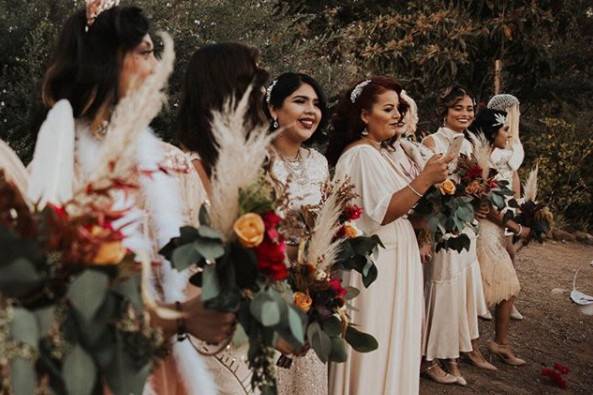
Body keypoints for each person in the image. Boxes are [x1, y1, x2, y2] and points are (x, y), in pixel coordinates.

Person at [27, 3, 233, 394]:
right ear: (107, 59)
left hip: (166, 359)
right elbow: (56, 280)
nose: (156, 67)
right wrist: (173, 318)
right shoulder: (63, 149)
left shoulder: (167, 160)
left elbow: (185, 267)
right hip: (97, 361)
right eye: (144, 53)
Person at [327, 76, 450, 395]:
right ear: (365, 116)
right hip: (376, 265)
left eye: (399, 108)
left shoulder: (383, 153)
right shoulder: (360, 156)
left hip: (398, 255)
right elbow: (382, 211)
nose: (397, 115)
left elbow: (404, 206)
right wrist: (425, 180)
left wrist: (438, 206)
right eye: (388, 108)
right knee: (377, 336)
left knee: (396, 338)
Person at [176, 42, 270, 394]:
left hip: (245, 335)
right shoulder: (181, 169)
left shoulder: (249, 171)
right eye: (255, 86)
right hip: (197, 337)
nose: (261, 98)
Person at [421, 86, 495, 386]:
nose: (465, 114)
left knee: (459, 292)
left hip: (465, 227)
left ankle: (453, 353)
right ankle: (430, 358)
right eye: (458, 108)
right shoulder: (431, 141)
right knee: (442, 290)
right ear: (444, 111)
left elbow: (475, 184)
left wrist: (478, 203)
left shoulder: (469, 144)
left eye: (469, 109)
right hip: (442, 227)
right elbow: (427, 190)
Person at [264, 72, 330, 395]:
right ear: (274, 110)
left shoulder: (319, 163)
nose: (311, 111)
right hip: (268, 285)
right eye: (300, 101)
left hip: (312, 288)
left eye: (316, 104)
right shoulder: (256, 160)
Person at [468, 108, 531, 366]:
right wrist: (516, 228)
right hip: (484, 231)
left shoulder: (502, 160)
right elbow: (487, 207)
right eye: (505, 129)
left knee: (507, 287)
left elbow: (509, 195)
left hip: (498, 230)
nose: (509, 133)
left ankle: (499, 342)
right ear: (493, 132)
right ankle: (470, 345)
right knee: (484, 289)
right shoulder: (483, 162)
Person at [487, 94, 525, 321]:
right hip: (493, 193)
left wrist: (518, 203)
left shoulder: (512, 137)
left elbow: (515, 174)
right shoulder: (493, 132)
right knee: (501, 249)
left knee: (508, 249)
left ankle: (507, 299)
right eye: (515, 110)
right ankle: (494, 297)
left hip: (509, 196)